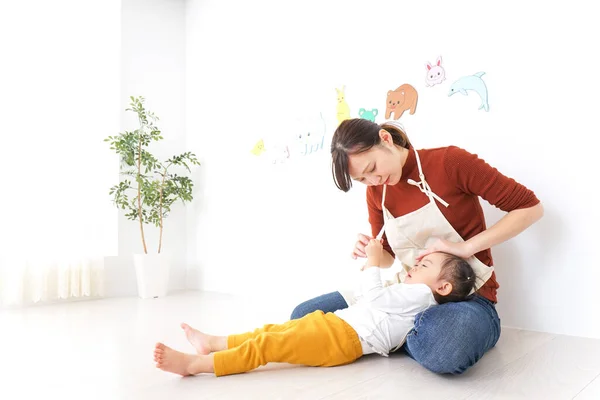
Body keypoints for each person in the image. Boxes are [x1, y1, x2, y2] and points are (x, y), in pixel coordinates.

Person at [290, 118, 544, 375]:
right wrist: (372, 252)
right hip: (404, 296)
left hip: (466, 298)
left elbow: (530, 207)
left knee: (447, 348)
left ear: (385, 139)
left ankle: (388, 336)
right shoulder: (377, 192)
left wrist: (466, 248)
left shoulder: (450, 162)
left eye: (373, 168)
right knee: (303, 316)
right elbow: (388, 255)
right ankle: (401, 334)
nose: (374, 180)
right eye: (363, 179)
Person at [153, 239, 476, 377]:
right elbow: (371, 299)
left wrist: (374, 261)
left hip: (340, 339)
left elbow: (374, 297)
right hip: (336, 327)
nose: (415, 265)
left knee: (268, 345)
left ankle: (198, 365)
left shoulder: (420, 294)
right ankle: (214, 344)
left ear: (442, 287)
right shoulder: (413, 290)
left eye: (425, 265)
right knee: (273, 331)